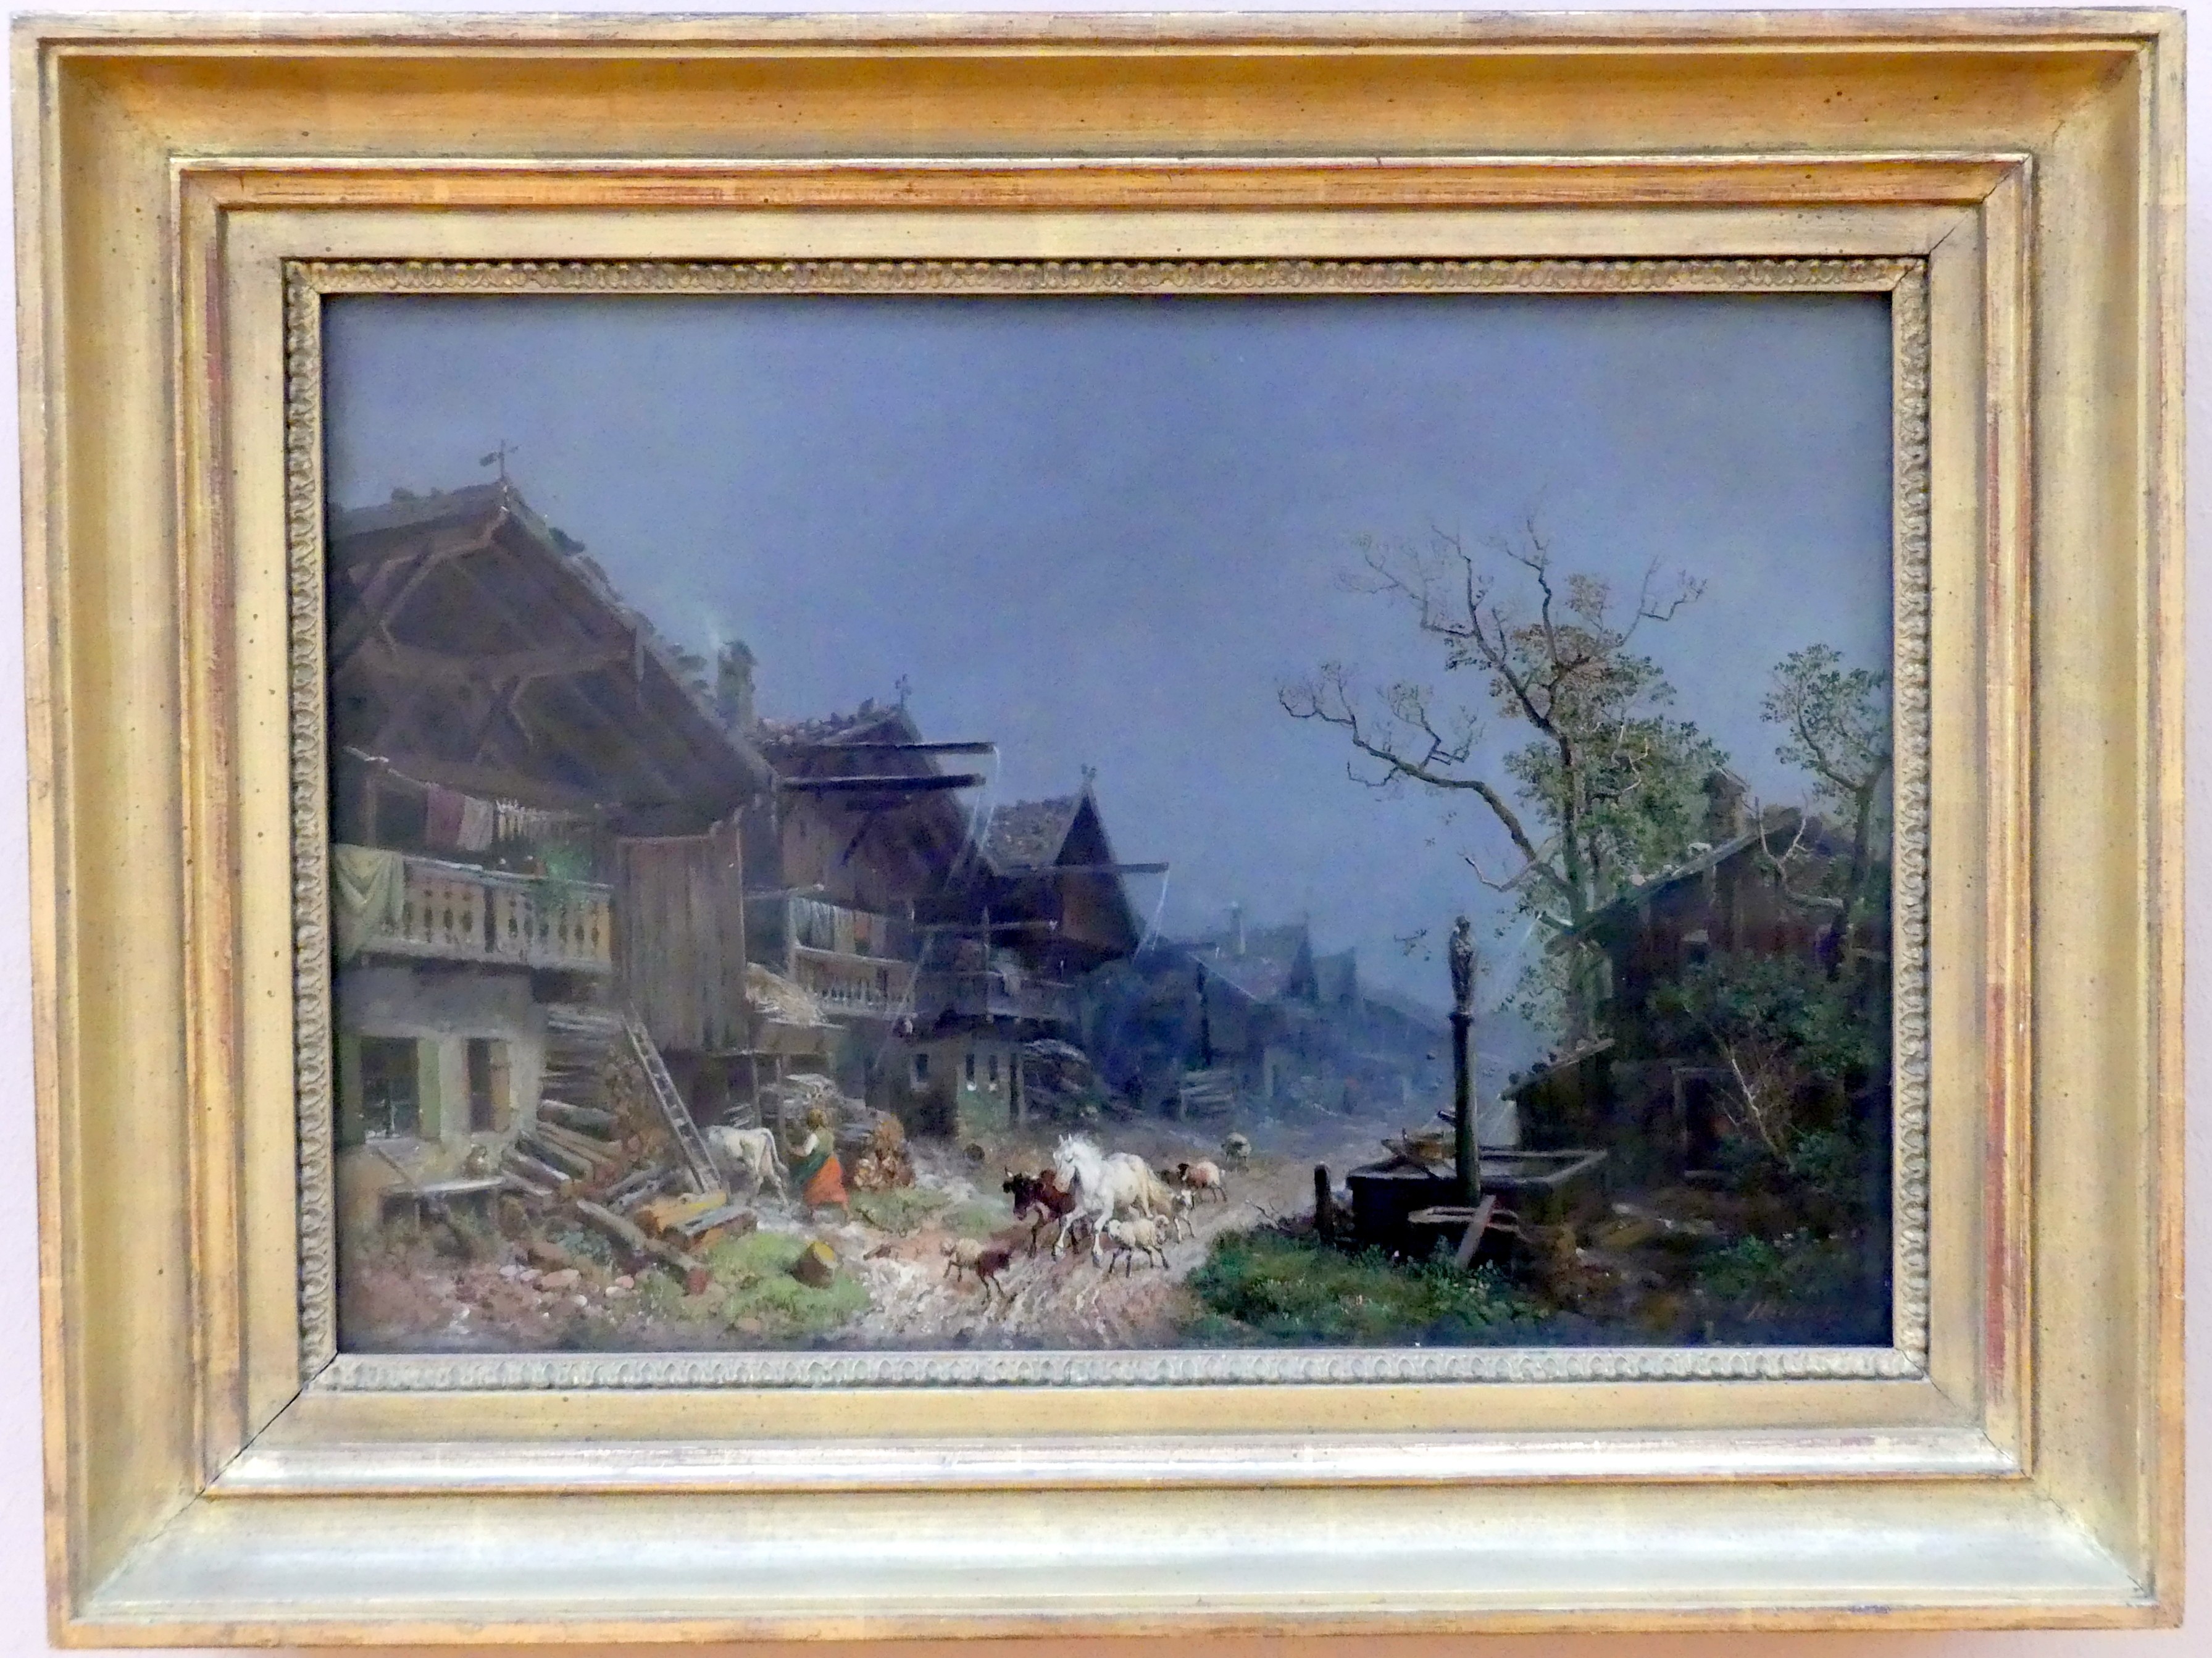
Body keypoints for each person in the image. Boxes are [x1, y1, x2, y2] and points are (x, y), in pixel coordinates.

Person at [788, 1105, 848, 1216]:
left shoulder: (814, 1136)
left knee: (812, 1188)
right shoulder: (829, 1135)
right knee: (836, 1189)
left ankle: (812, 1215)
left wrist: (793, 1150)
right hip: (833, 1164)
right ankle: (847, 1214)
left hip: (820, 1165)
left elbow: (806, 1152)